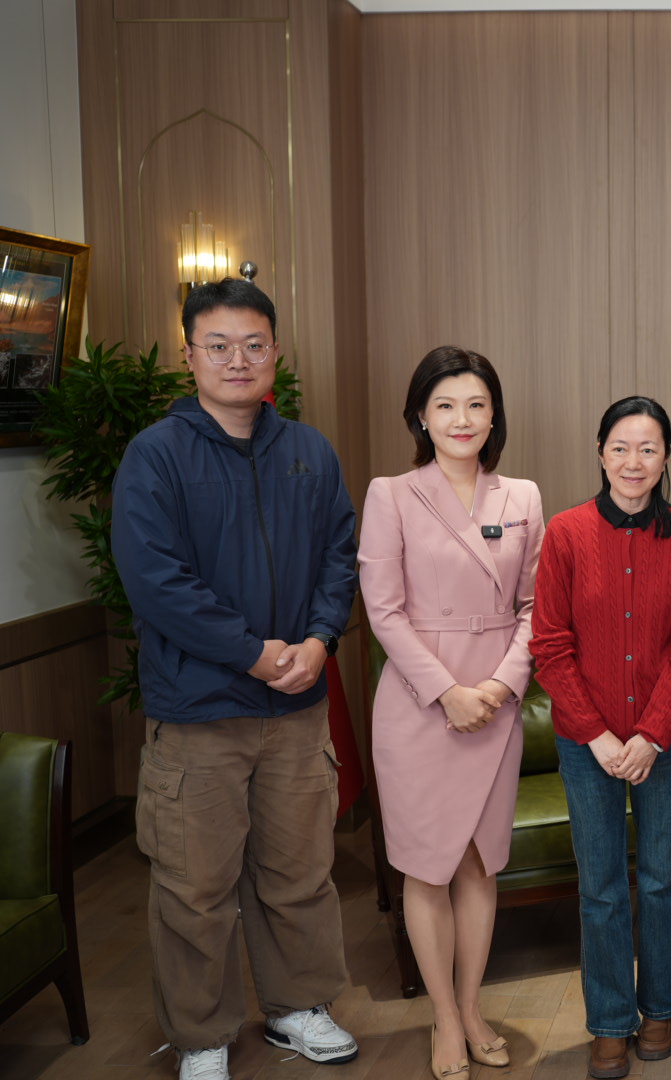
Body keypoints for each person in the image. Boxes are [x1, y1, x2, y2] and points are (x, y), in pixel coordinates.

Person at [111, 279, 359, 1080]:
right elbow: (157, 583)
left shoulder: (309, 452)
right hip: (198, 712)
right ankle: (201, 1036)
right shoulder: (156, 455)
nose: (237, 360)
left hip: (296, 709)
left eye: (253, 345)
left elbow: (340, 557)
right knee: (194, 887)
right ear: (189, 357)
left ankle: (297, 1007)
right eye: (218, 346)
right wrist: (252, 652)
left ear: (275, 352)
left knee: (299, 874)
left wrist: (320, 639)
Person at [359, 347, 543, 1079]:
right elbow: (383, 610)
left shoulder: (522, 496)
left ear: (494, 416)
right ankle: (442, 1015)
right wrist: (447, 692)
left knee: (477, 861)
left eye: (475, 404)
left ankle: (471, 1007)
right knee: (427, 866)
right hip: (418, 705)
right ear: (420, 417)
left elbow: (536, 607)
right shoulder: (392, 495)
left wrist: (499, 687)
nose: (461, 419)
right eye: (444, 405)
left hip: (496, 702)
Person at [530, 396, 671, 1079]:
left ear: (666, 458)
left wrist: (652, 735)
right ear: (601, 453)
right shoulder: (567, 532)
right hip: (587, 744)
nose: (634, 462)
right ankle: (609, 1020)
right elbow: (550, 645)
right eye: (621, 448)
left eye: (649, 449)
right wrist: (599, 736)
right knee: (601, 884)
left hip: (666, 741)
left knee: (662, 877)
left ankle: (661, 1007)